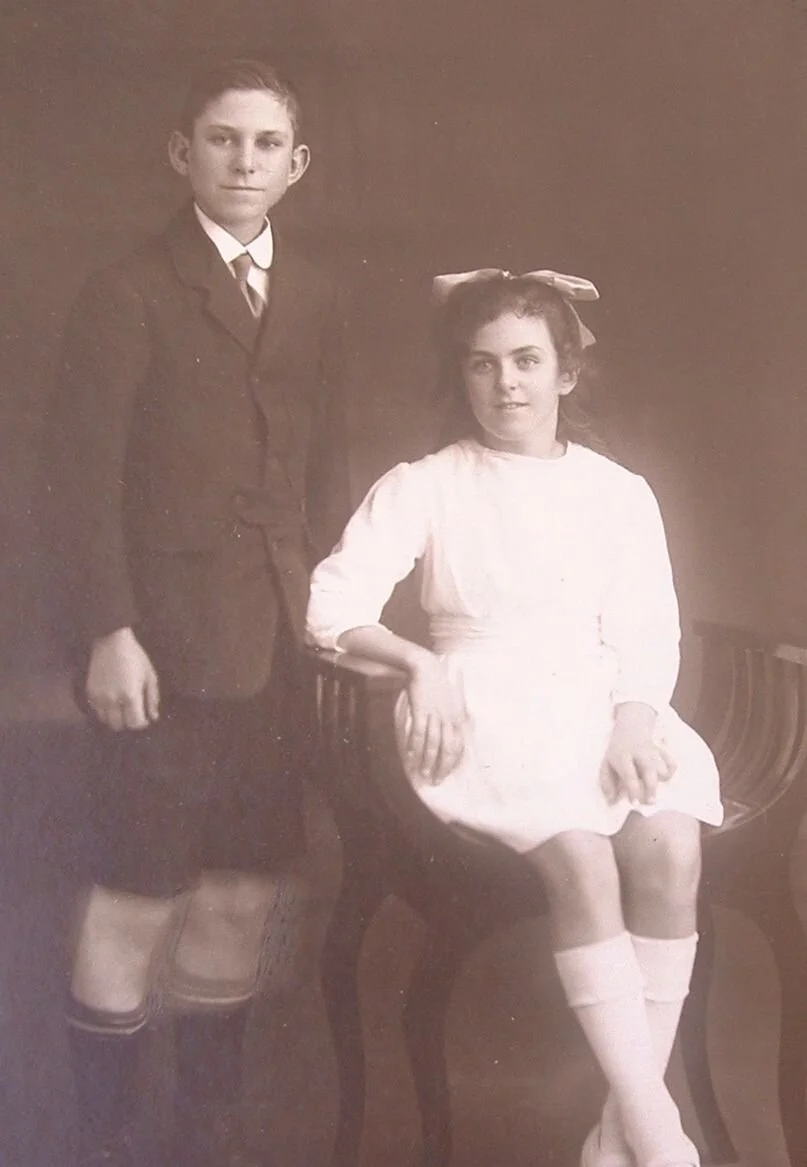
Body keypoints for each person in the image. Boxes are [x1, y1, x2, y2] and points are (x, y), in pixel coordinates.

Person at [306, 268, 723, 1167]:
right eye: (482, 363)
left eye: (527, 360)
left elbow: (646, 628)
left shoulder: (618, 491)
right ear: (460, 375)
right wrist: (418, 663)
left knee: (669, 845)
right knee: (580, 853)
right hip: (481, 704)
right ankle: (660, 1141)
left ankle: (618, 1132)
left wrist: (633, 719)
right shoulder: (426, 483)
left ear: (566, 372)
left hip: (602, 699)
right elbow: (330, 606)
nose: (506, 384)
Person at [48, 57, 349, 1167]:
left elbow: (325, 473)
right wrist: (106, 630)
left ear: (297, 164)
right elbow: (76, 483)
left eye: (266, 145)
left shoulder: (315, 295)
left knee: (239, 892)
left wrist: (327, 617)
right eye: (223, 140)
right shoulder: (128, 289)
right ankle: (105, 1140)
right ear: (183, 153)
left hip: (273, 650)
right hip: (159, 652)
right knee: (135, 894)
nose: (243, 162)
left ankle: (206, 1132)